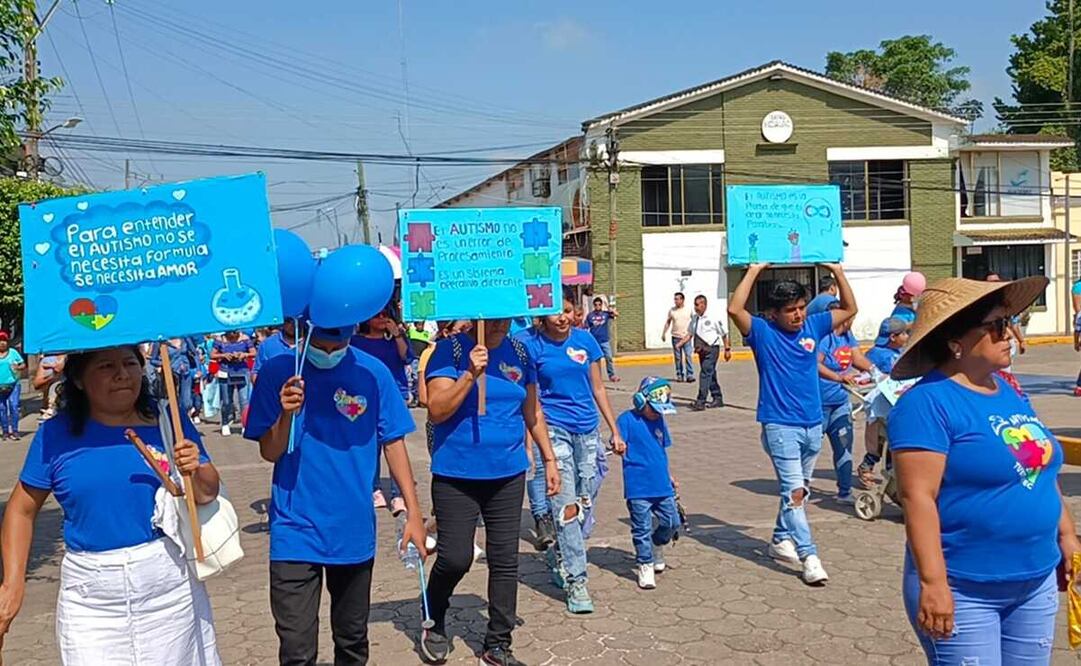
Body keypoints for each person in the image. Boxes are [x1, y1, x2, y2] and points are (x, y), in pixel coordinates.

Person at [887, 276, 1081, 664]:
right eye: (995, 326)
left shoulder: (1007, 390)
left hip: (1035, 580)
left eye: (1009, 322)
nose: (1009, 333)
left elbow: (1038, 470)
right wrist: (933, 582)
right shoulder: (926, 404)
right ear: (955, 342)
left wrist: (1068, 536)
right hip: (965, 588)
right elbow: (918, 498)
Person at [0, 346, 222, 663]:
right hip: (90, 600)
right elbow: (21, 510)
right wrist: (12, 584)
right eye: (106, 366)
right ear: (78, 379)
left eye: (130, 363)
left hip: (169, 590)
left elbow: (206, 494)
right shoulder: (54, 434)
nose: (122, 374)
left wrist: (196, 466)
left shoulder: (168, 420)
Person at [245, 324, 426, 666]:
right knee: (296, 649)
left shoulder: (373, 373)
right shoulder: (279, 371)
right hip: (294, 529)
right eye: (323, 338)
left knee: (352, 639)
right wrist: (285, 414)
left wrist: (413, 514)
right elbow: (269, 452)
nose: (330, 349)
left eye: (339, 338)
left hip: (353, 529)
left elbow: (394, 442)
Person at [421, 318, 560, 666]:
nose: (500, 325)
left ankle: (498, 644)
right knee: (455, 558)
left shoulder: (519, 352)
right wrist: (469, 373)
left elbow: (532, 411)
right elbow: (437, 410)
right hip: (457, 474)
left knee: (504, 560)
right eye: (492, 319)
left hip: (508, 472)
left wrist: (549, 457)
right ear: (476, 316)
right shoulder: (448, 351)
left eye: (506, 318)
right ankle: (433, 617)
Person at [728, 263, 856, 585]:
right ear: (773, 313)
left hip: (813, 425)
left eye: (800, 308)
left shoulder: (813, 327)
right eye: (790, 311)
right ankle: (809, 556)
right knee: (795, 492)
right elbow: (735, 308)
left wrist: (837, 271)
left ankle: (778, 538)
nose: (798, 315)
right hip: (780, 426)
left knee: (799, 491)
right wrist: (755, 270)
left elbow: (850, 308)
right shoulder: (762, 333)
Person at [518, 298, 625, 614]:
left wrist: (614, 429)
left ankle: (560, 554)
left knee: (584, 500)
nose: (562, 317)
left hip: (587, 431)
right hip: (554, 430)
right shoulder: (531, 344)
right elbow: (531, 401)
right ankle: (577, 582)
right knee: (565, 505)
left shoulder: (586, 340)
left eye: (567, 311)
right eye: (555, 311)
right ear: (542, 314)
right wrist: (530, 445)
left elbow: (598, 388)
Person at [617, 376, 681, 590]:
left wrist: (669, 475)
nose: (658, 413)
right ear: (640, 401)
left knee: (672, 522)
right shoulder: (626, 420)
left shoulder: (660, 420)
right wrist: (616, 443)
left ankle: (658, 543)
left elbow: (661, 450)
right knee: (641, 528)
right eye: (654, 408)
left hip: (661, 483)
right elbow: (616, 440)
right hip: (638, 486)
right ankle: (645, 563)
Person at [811, 298, 874, 504]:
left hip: (840, 402)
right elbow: (815, 364)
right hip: (819, 403)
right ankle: (798, 488)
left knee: (844, 446)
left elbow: (858, 359)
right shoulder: (823, 338)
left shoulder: (848, 336)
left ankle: (845, 492)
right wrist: (839, 377)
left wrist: (877, 372)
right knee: (810, 449)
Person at [352, 308, 412, 515]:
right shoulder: (356, 342)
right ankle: (374, 489)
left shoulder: (395, 340)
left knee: (395, 443)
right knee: (370, 446)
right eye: (377, 315)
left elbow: (406, 357)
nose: (382, 318)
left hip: (395, 394)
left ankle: (398, 494)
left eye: (386, 315)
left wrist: (397, 335)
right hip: (364, 398)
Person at [858, 317, 911, 487]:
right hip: (880, 405)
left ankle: (891, 472)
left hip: (894, 403)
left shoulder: (898, 353)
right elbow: (867, 374)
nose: (906, 336)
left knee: (891, 439)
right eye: (904, 333)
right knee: (878, 440)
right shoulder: (876, 354)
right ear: (893, 337)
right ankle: (867, 468)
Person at [680, 294, 730, 411]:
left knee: (705, 373)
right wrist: (680, 343)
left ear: (704, 305)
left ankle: (701, 401)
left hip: (712, 349)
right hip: (701, 350)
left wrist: (727, 349)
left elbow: (724, 334)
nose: (696, 307)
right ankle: (717, 398)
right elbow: (690, 334)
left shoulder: (713, 317)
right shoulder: (695, 319)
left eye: (698, 305)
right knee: (710, 373)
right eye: (695, 305)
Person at [212, 330, 255, 436]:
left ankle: (245, 424)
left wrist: (244, 354)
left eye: (235, 332)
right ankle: (225, 423)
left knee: (244, 400)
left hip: (242, 371)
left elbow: (254, 352)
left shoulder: (245, 338)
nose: (233, 334)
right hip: (225, 371)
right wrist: (223, 355)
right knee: (226, 400)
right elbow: (212, 355)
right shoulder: (219, 339)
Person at [985, 273, 1026, 372]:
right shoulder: (983, 304)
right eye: (990, 282)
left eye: (996, 282)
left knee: (1004, 372)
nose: (993, 285)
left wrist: (1021, 341)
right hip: (989, 341)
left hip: (1003, 341)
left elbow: (1013, 324)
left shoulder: (1005, 303)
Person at [150, 337, 197, 422]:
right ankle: (175, 423)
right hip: (170, 374)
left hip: (185, 373)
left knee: (186, 402)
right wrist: (163, 363)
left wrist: (198, 369)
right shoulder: (160, 340)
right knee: (172, 401)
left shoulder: (185, 337)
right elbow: (153, 360)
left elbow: (194, 353)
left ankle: (185, 421)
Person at [661, 292, 695, 383]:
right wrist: (664, 333)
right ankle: (679, 374)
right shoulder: (672, 311)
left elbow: (694, 321)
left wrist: (694, 332)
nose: (676, 301)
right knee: (678, 357)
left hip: (686, 337)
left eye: (677, 299)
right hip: (676, 337)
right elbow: (668, 322)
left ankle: (690, 375)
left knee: (688, 355)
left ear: (682, 300)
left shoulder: (688, 310)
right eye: (675, 299)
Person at [253, 318, 299, 384]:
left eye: (298, 320)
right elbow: (256, 372)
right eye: (289, 321)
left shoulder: (310, 345)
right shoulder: (267, 344)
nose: (293, 324)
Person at [585, 297, 620, 382]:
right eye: (596, 305)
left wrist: (609, 309)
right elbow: (586, 327)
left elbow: (616, 314)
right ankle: (596, 376)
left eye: (599, 304)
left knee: (609, 357)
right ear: (594, 305)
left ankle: (611, 375)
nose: (598, 306)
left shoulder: (606, 314)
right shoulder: (590, 316)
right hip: (594, 341)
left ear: (601, 305)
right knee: (595, 359)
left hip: (604, 340)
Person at [0, 332, 25, 440]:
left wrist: (18, 367)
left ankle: (15, 431)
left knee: (14, 406)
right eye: (0, 341)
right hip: (0, 386)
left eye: (4, 340)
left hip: (14, 384)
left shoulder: (13, 353)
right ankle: (5, 431)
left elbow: (23, 364)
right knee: (1, 409)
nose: (2, 343)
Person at [32, 353, 65, 420]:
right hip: (50, 410)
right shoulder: (48, 360)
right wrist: (55, 375)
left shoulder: (77, 357)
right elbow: (36, 384)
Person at [407, 321, 432, 406]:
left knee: (419, 378)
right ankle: (413, 397)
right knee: (413, 378)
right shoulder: (411, 332)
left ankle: (418, 397)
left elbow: (431, 342)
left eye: (422, 324)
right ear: (415, 325)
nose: (421, 326)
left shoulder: (426, 334)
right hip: (414, 358)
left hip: (422, 358)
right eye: (419, 324)